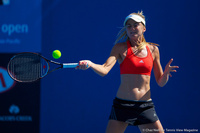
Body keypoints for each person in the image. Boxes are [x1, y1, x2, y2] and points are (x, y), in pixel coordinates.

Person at [76, 11, 179, 133]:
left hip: (145, 106)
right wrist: (91, 64)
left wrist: (166, 74)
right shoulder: (120, 48)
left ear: (144, 28)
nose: (132, 28)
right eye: (129, 26)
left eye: (136, 25)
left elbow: (161, 82)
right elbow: (104, 69)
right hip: (122, 106)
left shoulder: (153, 50)